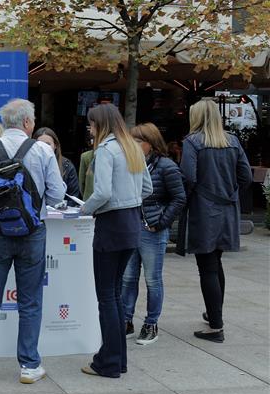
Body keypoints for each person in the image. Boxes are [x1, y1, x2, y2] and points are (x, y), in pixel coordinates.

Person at [0, 99, 66, 384]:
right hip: (33, 233)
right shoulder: (44, 150)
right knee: (30, 301)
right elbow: (58, 196)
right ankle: (29, 366)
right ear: (26, 123)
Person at [79, 104, 152, 378]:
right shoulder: (133, 147)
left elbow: (102, 192)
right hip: (132, 225)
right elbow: (148, 187)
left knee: (106, 298)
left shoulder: (106, 151)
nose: (90, 128)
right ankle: (117, 359)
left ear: (101, 125)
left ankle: (108, 361)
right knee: (116, 296)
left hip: (110, 226)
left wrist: (83, 209)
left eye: (91, 124)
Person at [177, 100, 251, 343]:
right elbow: (246, 176)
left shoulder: (193, 141)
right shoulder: (232, 140)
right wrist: (228, 193)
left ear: (196, 117)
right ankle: (213, 315)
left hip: (204, 209)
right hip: (227, 210)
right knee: (216, 263)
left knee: (207, 266)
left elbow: (188, 176)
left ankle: (216, 326)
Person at [121, 123, 186, 345]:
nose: (133, 145)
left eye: (138, 142)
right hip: (131, 227)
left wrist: (161, 223)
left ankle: (151, 323)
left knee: (152, 279)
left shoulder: (166, 166)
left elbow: (179, 198)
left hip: (152, 230)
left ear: (150, 143)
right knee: (128, 278)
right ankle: (126, 320)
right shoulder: (132, 164)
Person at [33, 127, 81, 199]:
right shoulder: (30, 164)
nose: (44, 148)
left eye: (48, 144)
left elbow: (73, 196)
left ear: (55, 145)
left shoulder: (67, 166)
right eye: (40, 145)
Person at [78, 130, 95, 201]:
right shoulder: (86, 156)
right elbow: (81, 182)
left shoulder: (85, 156)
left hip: (89, 199)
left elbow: (82, 183)